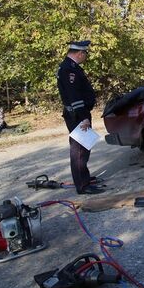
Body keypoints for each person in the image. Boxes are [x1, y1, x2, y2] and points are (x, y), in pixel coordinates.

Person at [56, 40, 102, 195]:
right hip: (77, 115)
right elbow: (74, 96)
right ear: (79, 53)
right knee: (79, 151)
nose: (85, 57)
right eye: (85, 54)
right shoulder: (69, 70)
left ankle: (84, 178)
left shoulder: (71, 67)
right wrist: (83, 117)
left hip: (78, 114)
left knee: (84, 149)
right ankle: (82, 185)